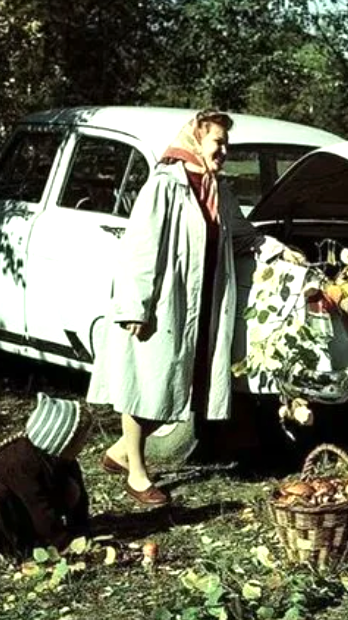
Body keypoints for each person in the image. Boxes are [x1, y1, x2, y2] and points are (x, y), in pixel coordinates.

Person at [86, 110, 301, 506]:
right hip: (164, 301)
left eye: (226, 144)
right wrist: (136, 305)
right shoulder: (165, 185)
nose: (224, 150)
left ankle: (120, 452)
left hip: (202, 305)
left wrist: (278, 250)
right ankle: (136, 474)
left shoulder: (218, 188)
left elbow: (242, 237)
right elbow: (140, 247)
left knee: (178, 385)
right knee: (148, 384)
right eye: (218, 142)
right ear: (196, 139)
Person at [0, 393, 92, 571]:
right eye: (80, 440)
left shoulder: (64, 459)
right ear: (63, 439)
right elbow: (38, 505)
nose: (84, 444)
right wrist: (62, 542)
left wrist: (81, 529)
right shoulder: (20, 462)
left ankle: (26, 534)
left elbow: (80, 496)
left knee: (71, 488)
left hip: (19, 503)